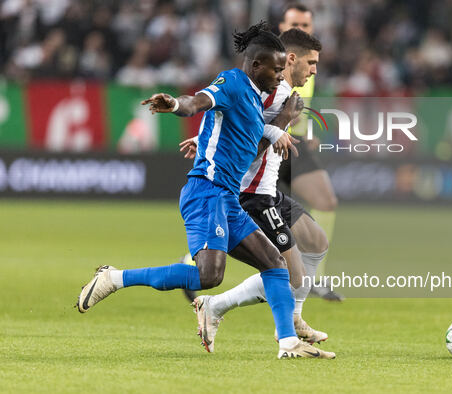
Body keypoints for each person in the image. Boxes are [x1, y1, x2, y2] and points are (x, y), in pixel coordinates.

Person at [76, 22, 334, 360]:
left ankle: (288, 343)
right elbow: (199, 101)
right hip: (207, 192)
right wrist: (175, 105)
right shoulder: (232, 82)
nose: (279, 74)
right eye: (275, 68)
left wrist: (273, 129)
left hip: (228, 199)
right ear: (256, 65)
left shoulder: (258, 101)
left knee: (274, 263)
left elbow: (239, 135)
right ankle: (114, 278)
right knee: (209, 276)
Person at [179, 28, 330, 353]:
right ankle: (220, 308)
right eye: (311, 63)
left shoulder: (284, 93)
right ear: (291, 59)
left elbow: (248, 123)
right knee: (289, 273)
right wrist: (280, 123)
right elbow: (246, 126)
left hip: (268, 190)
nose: (315, 70)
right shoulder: (273, 93)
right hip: (251, 193)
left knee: (317, 241)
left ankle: (294, 316)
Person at [278, 4, 342, 301]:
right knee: (248, 217)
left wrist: (310, 131)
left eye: (306, 25)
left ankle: (314, 279)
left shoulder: (309, 64)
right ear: (282, 27)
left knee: (326, 201)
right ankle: (193, 260)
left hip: (295, 145)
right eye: (296, 24)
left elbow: (304, 108)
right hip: (268, 145)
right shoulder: (271, 63)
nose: (301, 29)